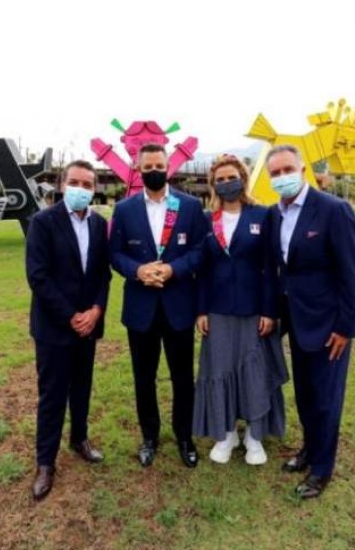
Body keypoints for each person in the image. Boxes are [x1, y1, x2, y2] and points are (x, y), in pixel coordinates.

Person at [266, 145, 355, 500]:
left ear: (303, 169)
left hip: (330, 325)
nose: (281, 178)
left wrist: (346, 328)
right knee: (306, 395)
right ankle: (309, 450)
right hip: (297, 322)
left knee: (326, 399)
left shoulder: (334, 211)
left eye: (286, 169)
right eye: (274, 173)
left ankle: (322, 469)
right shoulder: (275, 215)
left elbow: (352, 275)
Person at [109, 143, 209, 468]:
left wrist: (173, 269)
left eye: (159, 165)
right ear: (138, 170)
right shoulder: (124, 210)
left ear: (168, 167)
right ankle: (149, 436)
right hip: (141, 309)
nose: (154, 171)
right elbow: (115, 254)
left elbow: (200, 251)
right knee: (144, 377)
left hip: (179, 305)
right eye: (147, 166)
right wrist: (137, 271)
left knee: (183, 377)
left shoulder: (191, 206)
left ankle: (184, 437)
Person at [193, 154, 287, 465]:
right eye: (219, 180)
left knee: (253, 370)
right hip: (218, 311)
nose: (225, 183)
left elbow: (271, 267)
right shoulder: (207, 221)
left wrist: (269, 311)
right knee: (220, 370)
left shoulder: (263, 215)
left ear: (243, 179)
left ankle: (254, 436)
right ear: (213, 185)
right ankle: (227, 433)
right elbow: (202, 271)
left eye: (230, 177)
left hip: (254, 311)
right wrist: (201, 310)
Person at [25, 159, 111, 501]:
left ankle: (79, 438)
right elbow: (38, 276)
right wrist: (71, 315)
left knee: (82, 387)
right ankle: (45, 462)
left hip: (88, 325)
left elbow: (103, 273)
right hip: (54, 328)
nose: (81, 189)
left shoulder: (99, 224)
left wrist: (96, 310)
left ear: (94, 189)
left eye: (88, 184)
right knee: (52, 395)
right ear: (63, 185)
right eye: (75, 182)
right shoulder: (43, 222)